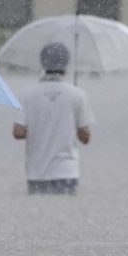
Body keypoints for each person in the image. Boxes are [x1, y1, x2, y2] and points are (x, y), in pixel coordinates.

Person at [12, 42, 93, 195]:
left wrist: (39, 126)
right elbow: (85, 137)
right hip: (67, 172)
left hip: (36, 172)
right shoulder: (78, 94)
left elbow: (18, 132)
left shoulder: (27, 94)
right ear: (66, 63)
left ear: (42, 62)